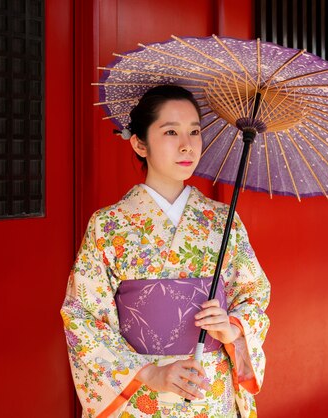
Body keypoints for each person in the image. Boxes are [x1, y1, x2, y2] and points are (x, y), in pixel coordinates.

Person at [61, 85, 270, 418]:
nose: (187, 144)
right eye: (171, 131)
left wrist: (231, 328)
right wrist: (151, 374)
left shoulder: (222, 221)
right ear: (140, 143)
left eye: (194, 131)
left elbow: (254, 296)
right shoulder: (108, 225)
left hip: (209, 390)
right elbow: (84, 317)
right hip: (140, 393)